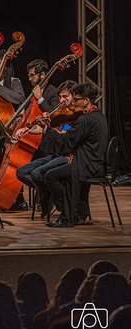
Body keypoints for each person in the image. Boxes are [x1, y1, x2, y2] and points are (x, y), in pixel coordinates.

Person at [30, 83, 107, 227]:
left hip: (86, 166)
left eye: (77, 100)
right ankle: (77, 212)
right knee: (61, 174)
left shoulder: (85, 119)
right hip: (97, 164)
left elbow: (67, 141)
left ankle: (68, 213)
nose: (74, 103)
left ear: (86, 101)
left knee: (50, 176)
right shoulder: (100, 116)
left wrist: (46, 129)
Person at [13, 80, 75, 218]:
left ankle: (48, 202)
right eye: (60, 97)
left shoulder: (75, 116)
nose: (61, 100)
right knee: (21, 172)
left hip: (66, 157)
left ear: (74, 97)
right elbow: (42, 129)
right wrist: (25, 129)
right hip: (55, 155)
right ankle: (48, 191)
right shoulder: (60, 113)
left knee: (37, 174)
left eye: (65, 97)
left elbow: (63, 137)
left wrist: (48, 127)